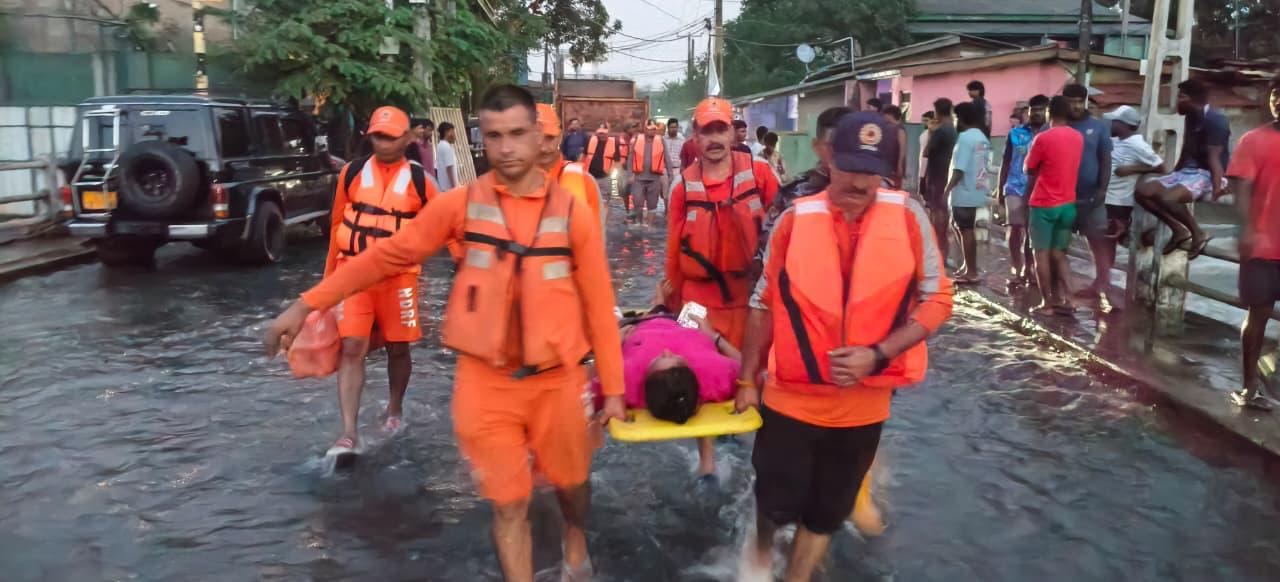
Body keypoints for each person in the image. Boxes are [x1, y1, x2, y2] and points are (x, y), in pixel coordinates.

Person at [266, 85, 625, 582]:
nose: (506, 148)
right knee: (509, 503)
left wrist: (614, 388)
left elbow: (600, 307)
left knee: (572, 486)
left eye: (517, 134)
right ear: (482, 141)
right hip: (486, 384)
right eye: (494, 136)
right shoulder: (461, 205)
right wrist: (306, 303)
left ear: (538, 137)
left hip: (557, 381)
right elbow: (385, 256)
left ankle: (574, 536)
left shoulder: (572, 213)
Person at [735, 111, 953, 581]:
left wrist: (878, 354)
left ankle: (795, 576)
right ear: (829, 159)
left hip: (864, 404)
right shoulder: (795, 219)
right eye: (850, 167)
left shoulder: (908, 216)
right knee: (774, 501)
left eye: (871, 171)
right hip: (791, 398)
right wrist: (747, 380)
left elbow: (938, 299)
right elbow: (762, 303)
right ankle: (759, 552)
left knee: (827, 512)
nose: (859, 182)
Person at [320, 105, 436, 455]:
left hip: (399, 280)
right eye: (378, 136)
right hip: (353, 275)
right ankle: (348, 433)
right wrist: (327, 284)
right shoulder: (352, 174)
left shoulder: (421, 181)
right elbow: (336, 226)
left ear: (407, 138)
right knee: (352, 346)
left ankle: (394, 408)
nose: (383, 143)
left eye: (390, 136)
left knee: (398, 348)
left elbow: (443, 227)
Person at [665, 97, 780, 348]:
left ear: (732, 134)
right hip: (694, 304)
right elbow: (673, 257)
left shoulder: (760, 173)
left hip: (751, 301)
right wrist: (672, 310)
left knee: (750, 370)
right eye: (707, 131)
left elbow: (784, 239)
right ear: (695, 136)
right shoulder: (681, 187)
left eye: (721, 130)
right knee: (694, 366)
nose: (714, 139)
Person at [593, 308, 741, 480]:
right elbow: (748, 371)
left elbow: (584, 385)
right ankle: (707, 461)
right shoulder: (714, 372)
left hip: (642, 324)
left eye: (659, 360)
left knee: (610, 318)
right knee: (701, 395)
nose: (666, 351)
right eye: (676, 359)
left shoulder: (625, 380)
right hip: (677, 321)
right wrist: (715, 337)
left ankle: (653, 303)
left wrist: (611, 346)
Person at [1227, 75, 1280, 411]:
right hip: (1262, 246)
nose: (1279, 101)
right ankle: (1249, 386)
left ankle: (1268, 369)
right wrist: (1246, 230)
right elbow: (1241, 189)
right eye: (1276, 94)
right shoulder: (1253, 140)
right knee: (1258, 313)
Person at [1136, 79, 1232, 259]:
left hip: (1207, 174)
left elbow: (1214, 158)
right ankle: (1178, 229)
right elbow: (1188, 147)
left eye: (1181, 97)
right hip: (1187, 172)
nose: (1177, 102)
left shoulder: (1216, 120)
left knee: (1168, 198)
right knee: (1143, 192)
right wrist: (1174, 174)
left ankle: (1198, 233)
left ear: (1193, 99)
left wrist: (1217, 187)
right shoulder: (1191, 116)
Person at [1025, 96, 1085, 315]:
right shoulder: (1078, 137)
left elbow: (1028, 168)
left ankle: (1047, 304)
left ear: (1049, 113)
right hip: (1068, 204)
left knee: (1040, 254)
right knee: (1059, 254)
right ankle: (1070, 299)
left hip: (1044, 204)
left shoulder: (1043, 138)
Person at [1102, 105, 1164, 304]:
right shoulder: (1115, 140)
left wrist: (1132, 169)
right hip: (1105, 199)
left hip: (1118, 202)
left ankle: (1107, 286)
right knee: (1100, 243)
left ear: (1123, 124)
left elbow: (1161, 167)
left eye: (1114, 121)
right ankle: (1103, 282)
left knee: (1107, 244)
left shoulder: (1138, 144)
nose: (1111, 124)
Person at [764, 106, 853, 239]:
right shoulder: (793, 194)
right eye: (833, 145)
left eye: (851, 145)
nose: (842, 152)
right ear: (816, 146)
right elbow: (768, 243)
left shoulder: (874, 190)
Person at [1061, 83, 1115, 301]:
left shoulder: (1098, 127)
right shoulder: (1056, 125)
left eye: (1079, 102)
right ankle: (1062, 288)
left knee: (1097, 240)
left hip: (1091, 196)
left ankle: (1103, 285)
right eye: (1071, 102)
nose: (1075, 106)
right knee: (1058, 244)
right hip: (1061, 197)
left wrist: (1102, 189)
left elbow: (1106, 160)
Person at [999, 94, 1049, 289]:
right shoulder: (1016, 133)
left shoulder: (1050, 134)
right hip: (1014, 186)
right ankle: (1017, 267)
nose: (1036, 113)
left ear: (1047, 111)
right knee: (1015, 226)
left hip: (1039, 188)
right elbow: (1006, 161)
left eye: (1040, 109)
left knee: (1031, 230)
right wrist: (1000, 188)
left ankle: (1030, 268)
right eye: (1033, 109)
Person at [945, 102, 992, 285]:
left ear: (962, 118)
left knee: (965, 229)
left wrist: (946, 189)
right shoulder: (981, 137)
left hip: (963, 190)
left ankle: (971, 271)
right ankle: (967, 266)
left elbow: (959, 169)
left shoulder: (965, 138)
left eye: (956, 118)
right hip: (976, 189)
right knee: (960, 227)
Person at [536, 103, 603, 228]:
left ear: (559, 137)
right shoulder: (508, 180)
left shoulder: (585, 183)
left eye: (549, 138)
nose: (543, 148)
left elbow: (596, 233)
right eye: (536, 139)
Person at [923, 98, 959, 263]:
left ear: (937, 111)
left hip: (937, 176)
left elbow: (926, 152)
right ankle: (943, 254)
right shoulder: (953, 129)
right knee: (943, 214)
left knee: (937, 216)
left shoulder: (940, 131)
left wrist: (930, 133)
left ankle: (938, 254)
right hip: (947, 175)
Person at [627, 119, 667, 223]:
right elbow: (630, 158)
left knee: (652, 205)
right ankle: (639, 224)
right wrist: (630, 175)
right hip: (638, 178)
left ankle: (650, 227)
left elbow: (667, 158)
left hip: (654, 179)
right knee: (637, 203)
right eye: (650, 129)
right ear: (645, 129)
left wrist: (670, 175)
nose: (652, 131)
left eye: (654, 129)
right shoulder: (637, 140)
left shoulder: (661, 141)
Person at [586, 121, 619, 205]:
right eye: (600, 133)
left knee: (604, 203)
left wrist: (612, 173)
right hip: (590, 176)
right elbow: (583, 156)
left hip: (605, 178)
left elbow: (617, 161)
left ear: (608, 132)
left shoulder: (614, 143)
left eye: (604, 133)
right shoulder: (590, 140)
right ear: (597, 132)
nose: (602, 135)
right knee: (590, 201)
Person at [882, 105, 909, 188]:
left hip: (895, 165)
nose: (883, 117)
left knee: (895, 187)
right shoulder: (889, 127)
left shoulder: (900, 129)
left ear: (890, 115)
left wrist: (899, 165)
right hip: (887, 165)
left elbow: (902, 149)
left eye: (885, 115)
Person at [663, 118, 686, 197]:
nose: (673, 129)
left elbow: (684, 155)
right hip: (665, 170)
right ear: (668, 128)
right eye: (671, 127)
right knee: (665, 194)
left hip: (677, 170)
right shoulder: (663, 139)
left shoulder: (682, 140)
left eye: (675, 127)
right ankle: (666, 205)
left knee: (676, 192)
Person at [435, 121, 460, 190]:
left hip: (443, 187)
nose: (455, 135)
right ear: (446, 132)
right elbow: (449, 168)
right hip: (449, 188)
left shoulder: (440, 145)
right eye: (453, 132)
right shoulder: (446, 147)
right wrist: (454, 186)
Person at [918, 110, 936, 197]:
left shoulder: (934, 133)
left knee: (927, 191)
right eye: (923, 120)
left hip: (929, 165)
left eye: (926, 120)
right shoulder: (925, 133)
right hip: (922, 162)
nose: (924, 123)